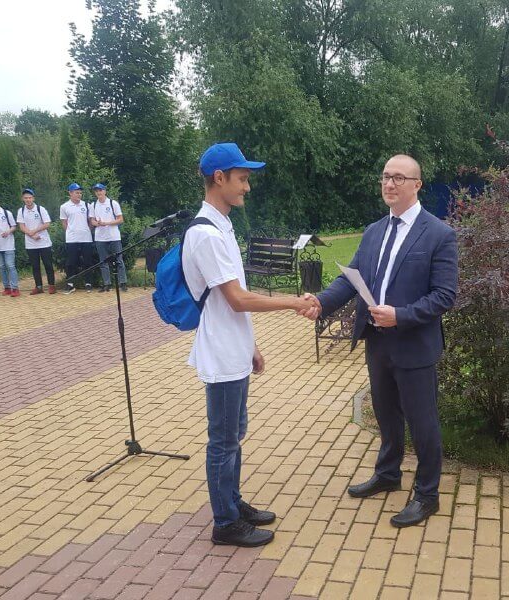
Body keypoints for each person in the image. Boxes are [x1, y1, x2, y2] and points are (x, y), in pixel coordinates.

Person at [303, 154, 458, 528]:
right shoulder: (374, 231)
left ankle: (427, 494)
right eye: (386, 177)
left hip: (414, 343)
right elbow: (350, 279)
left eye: (399, 178)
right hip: (377, 340)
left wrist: (401, 315)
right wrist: (321, 302)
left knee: (423, 423)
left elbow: (445, 295)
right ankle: (388, 474)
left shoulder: (438, 233)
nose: (390, 184)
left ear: (417, 184)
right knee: (386, 414)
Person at [182, 142, 316, 547]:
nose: (247, 188)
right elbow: (238, 299)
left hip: (234, 347)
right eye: (242, 179)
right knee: (222, 440)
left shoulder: (222, 226)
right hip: (221, 353)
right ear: (218, 178)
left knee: (234, 433)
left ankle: (232, 502)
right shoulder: (205, 234)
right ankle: (224, 523)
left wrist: (251, 345)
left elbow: (233, 302)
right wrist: (294, 301)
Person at [17, 189, 56, 295]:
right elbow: (21, 226)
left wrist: (34, 231)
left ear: (33, 198)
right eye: (26, 198)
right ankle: (38, 286)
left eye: (30, 197)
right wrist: (30, 234)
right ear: (23, 199)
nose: (28, 200)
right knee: (35, 266)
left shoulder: (40, 209)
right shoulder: (21, 211)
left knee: (48, 264)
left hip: (44, 242)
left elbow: (47, 223)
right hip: (30, 243)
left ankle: (52, 285)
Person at [90, 183, 127, 292]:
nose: (98, 192)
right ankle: (107, 284)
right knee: (103, 262)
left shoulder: (113, 203)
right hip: (100, 237)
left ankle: (123, 283)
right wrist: (97, 223)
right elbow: (92, 220)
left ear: (105, 191)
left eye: (100, 190)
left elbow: (120, 219)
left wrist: (107, 223)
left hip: (114, 236)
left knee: (119, 260)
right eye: (96, 191)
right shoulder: (93, 205)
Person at [59, 183, 94, 294]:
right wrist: (70, 232)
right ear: (70, 193)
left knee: (87, 261)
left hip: (86, 238)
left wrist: (86, 230)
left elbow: (90, 221)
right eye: (76, 192)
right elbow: (64, 223)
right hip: (72, 239)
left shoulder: (87, 205)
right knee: (71, 262)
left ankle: (88, 283)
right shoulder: (64, 206)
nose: (79, 195)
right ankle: (70, 284)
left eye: (80, 193)